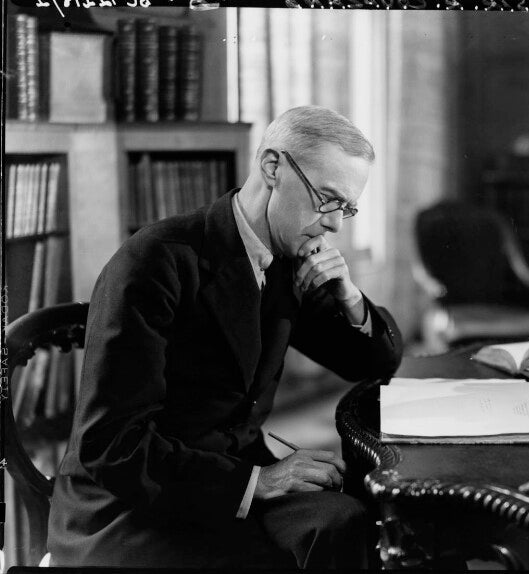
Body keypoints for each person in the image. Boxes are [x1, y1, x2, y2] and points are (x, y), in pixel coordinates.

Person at [48, 106, 403, 568]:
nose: (335, 224)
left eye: (347, 209)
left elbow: (373, 363)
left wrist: (349, 296)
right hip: (131, 509)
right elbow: (110, 445)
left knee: (361, 517)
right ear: (272, 167)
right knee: (326, 535)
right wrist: (260, 482)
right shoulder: (155, 261)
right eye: (328, 199)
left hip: (228, 483)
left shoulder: (290, 257)